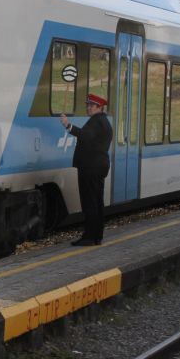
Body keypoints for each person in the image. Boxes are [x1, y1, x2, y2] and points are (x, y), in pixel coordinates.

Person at [60, 93, 112, 246]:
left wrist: (68, 125)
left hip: (90, 167)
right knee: (97, 202)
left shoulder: (97, 121)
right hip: (97, 166)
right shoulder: (103, 121)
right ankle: (97, 236)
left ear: (99, 107)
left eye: (91, 105)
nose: (88, 107)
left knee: (90, 202)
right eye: (87, 105)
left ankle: (89, 237)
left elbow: (85, 136)